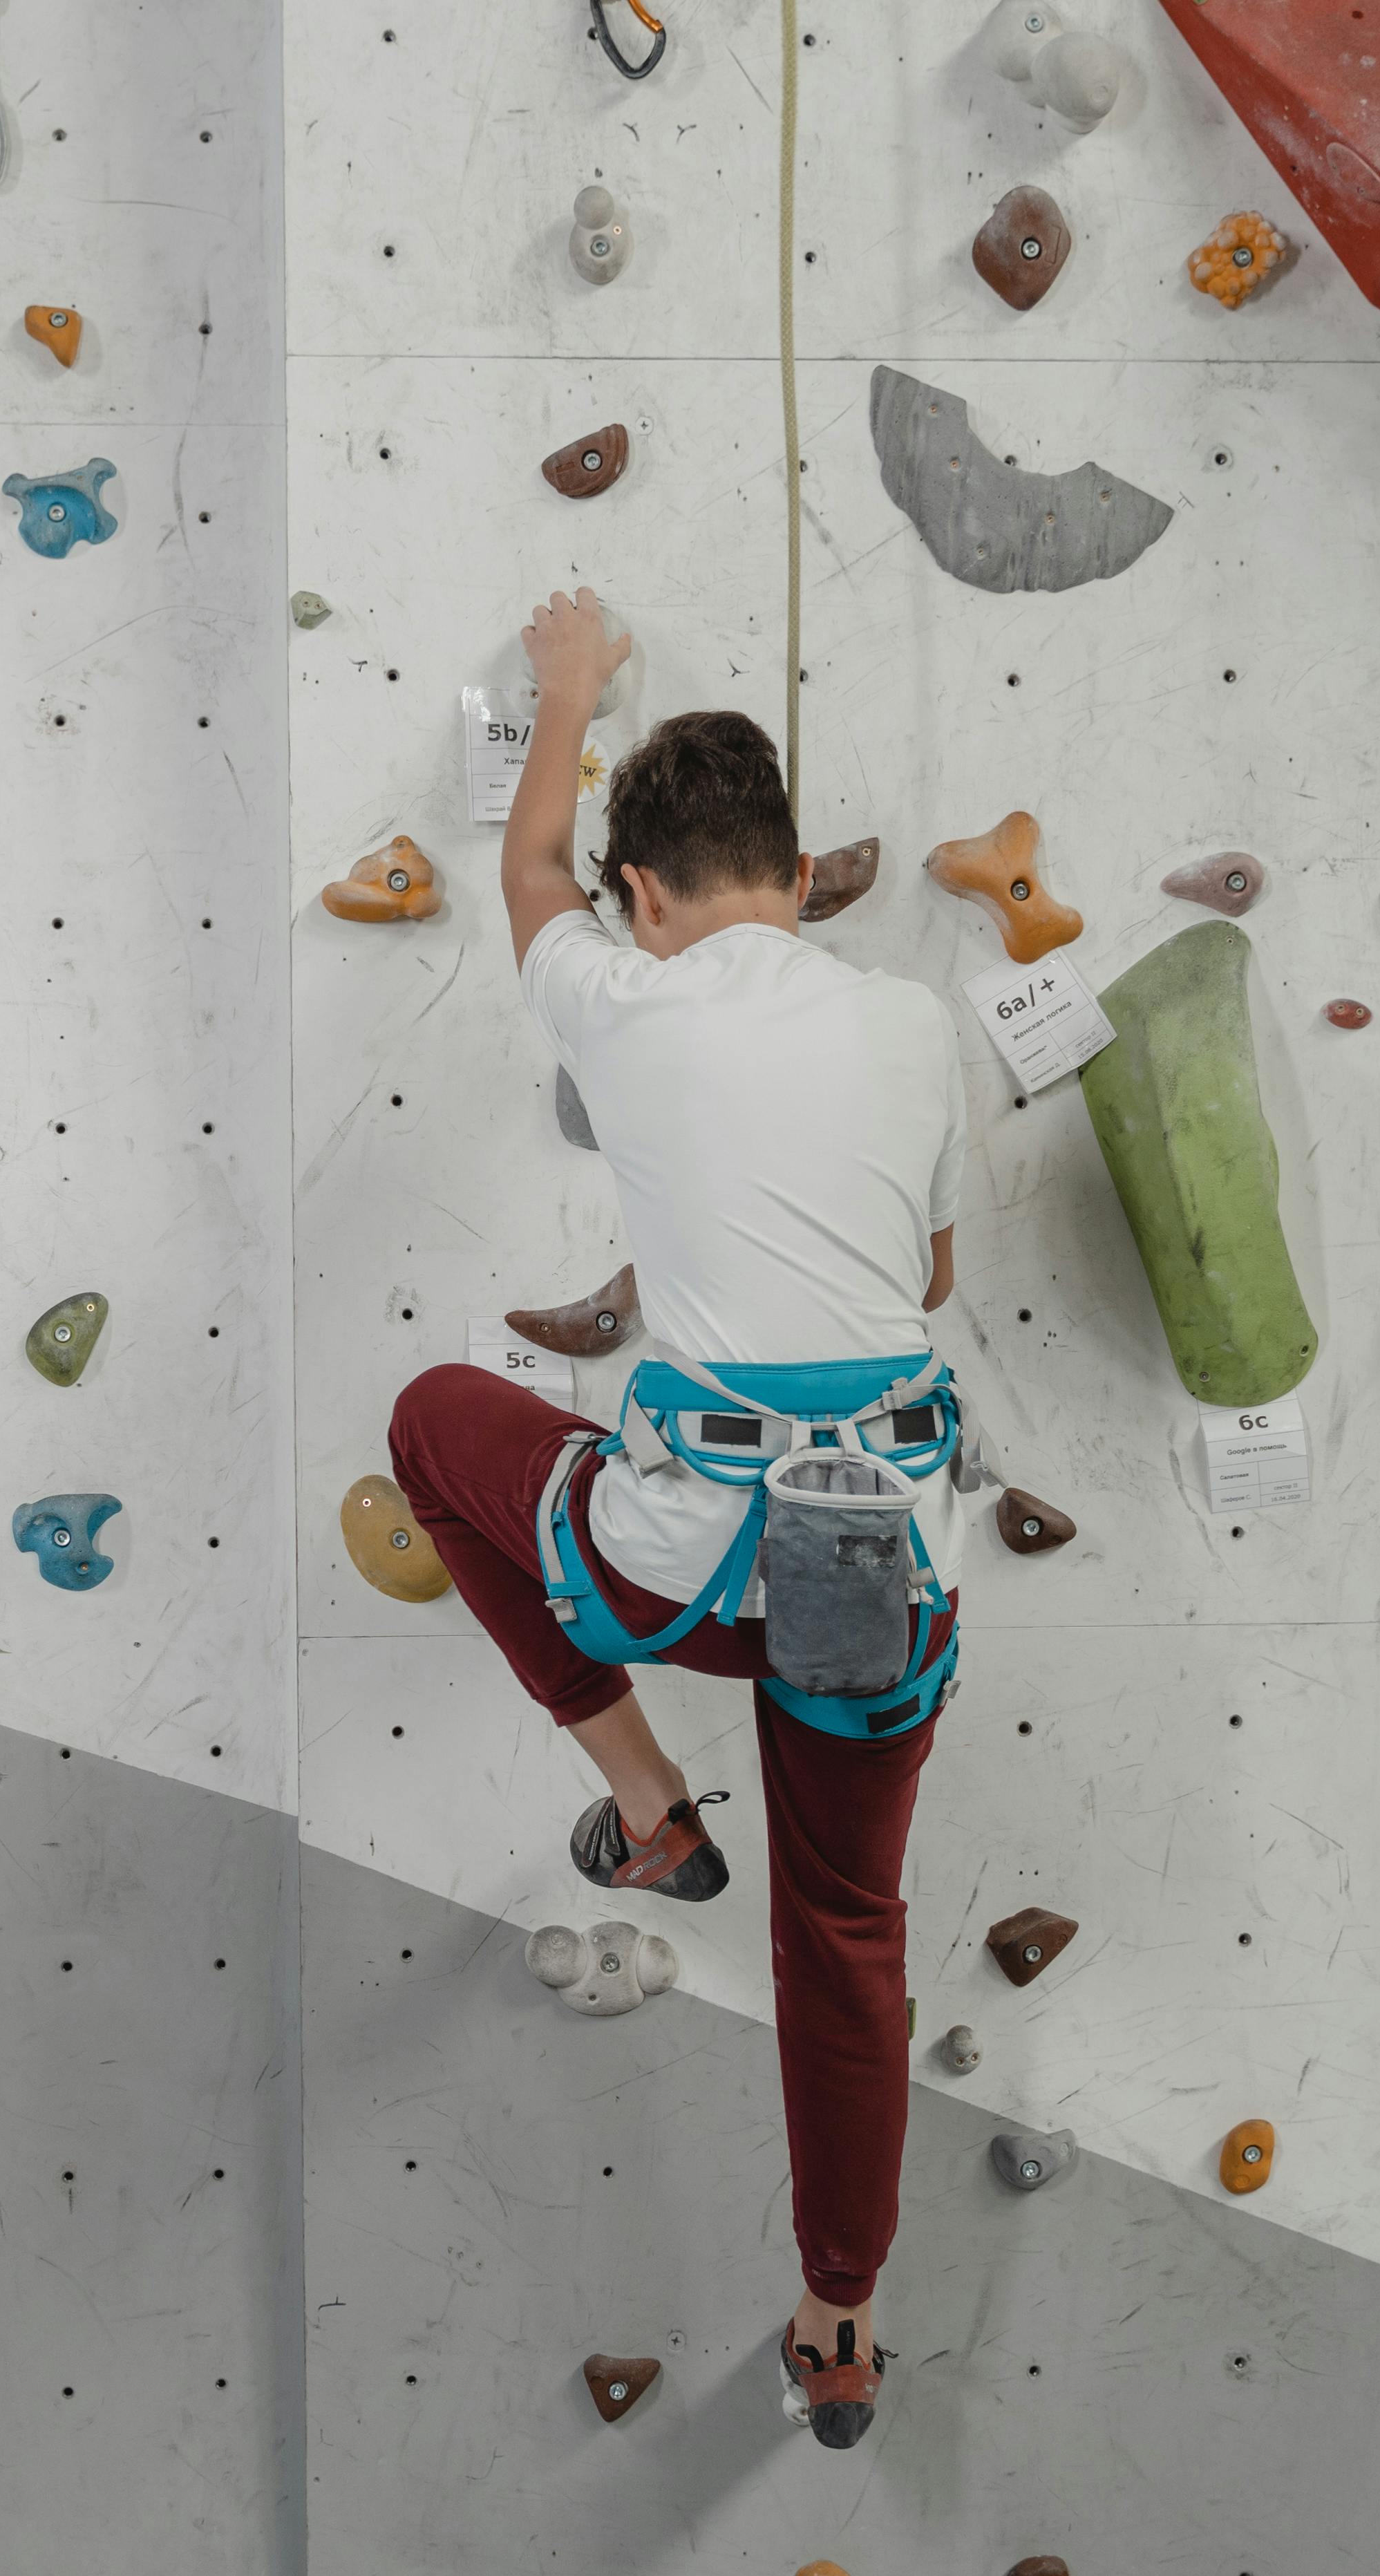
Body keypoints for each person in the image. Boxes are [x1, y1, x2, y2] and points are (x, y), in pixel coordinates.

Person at [386, 589, 969, 2451]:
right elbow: (930, 1257)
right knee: (847, 1925)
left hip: (677, 1559)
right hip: (868, 1576)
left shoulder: (620, 995)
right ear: (800, 876)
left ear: (649, 898)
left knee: (433, 1425)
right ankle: (843, 2316)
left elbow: (526, 865)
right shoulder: (919, 1028)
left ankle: (648, 1808)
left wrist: (567, 687)